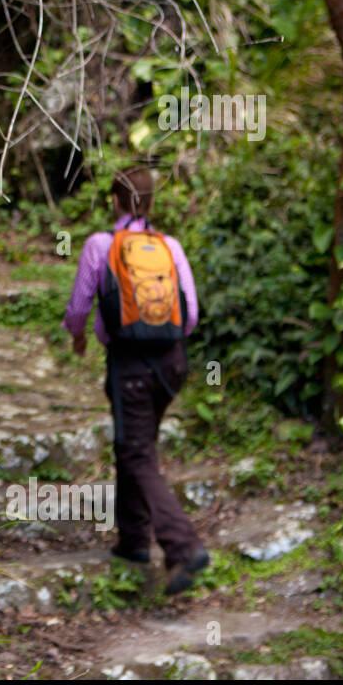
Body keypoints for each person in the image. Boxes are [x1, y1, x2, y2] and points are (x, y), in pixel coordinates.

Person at [61, 166, 210, 596]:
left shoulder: (100, 245)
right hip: (172, 364)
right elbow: (192, 315)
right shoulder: (170, 246)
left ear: (115, 202)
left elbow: (78, 307)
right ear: (151, 203)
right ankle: (134, 541)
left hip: (129, 365)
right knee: (136, 445)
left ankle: (183, 546)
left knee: (137, 452)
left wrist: (78, 337)